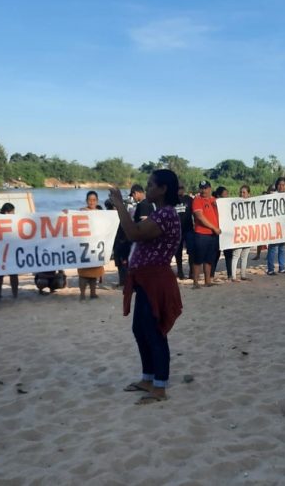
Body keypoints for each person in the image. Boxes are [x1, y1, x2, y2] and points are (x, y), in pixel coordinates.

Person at [109, 169, 182, 405]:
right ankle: (148, 378)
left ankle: (160, 387)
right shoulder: (160, 213)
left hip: (155, 281)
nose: (147, 188)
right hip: (146, 280)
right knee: (140, 330)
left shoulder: (166, 215)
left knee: (154, 333)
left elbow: (133, 233)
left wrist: (119, 204)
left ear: (162, 189)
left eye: (151, 185)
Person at [191, 180, 221, 288]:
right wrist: (214, 227)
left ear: (210, 188)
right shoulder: (197, 200)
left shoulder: (215, 200)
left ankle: (207, 280)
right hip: (201, 234)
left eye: (205, 188)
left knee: (210, 259)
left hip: (213, 234)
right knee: (198, 259)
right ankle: (195, 282)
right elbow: (200, 217)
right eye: (202, 188)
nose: (203, 190)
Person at [76, 191, 105, 301]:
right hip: (84, 245)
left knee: (95, 272)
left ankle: (93, 293)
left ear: (97, 201)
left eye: (94, 200)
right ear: (86, 200)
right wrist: (66, 213)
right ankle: (82, 294)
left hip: (96, 245)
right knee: (84, 273)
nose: (92, 202)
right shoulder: (81, 212)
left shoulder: (100, 213)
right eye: (90, 200)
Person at [0, 203, 19, 300]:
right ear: (7, 212)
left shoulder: (12, 221)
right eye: (12, 212)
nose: (14, 213)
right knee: (1, 275)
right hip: (2, 250)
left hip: (8, 250)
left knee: (10, 274)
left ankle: (1, 294)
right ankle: (8, 294)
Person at [266, 177, 285, 275]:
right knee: (273, 248)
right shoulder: (272, 196)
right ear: (276, 186)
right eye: (279, 185)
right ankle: (270, 269)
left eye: (283, 185)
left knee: (282, 248)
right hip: (274, 227)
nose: (281, 186)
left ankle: (282, 267)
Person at [230, 185, 253, 281]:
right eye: (241, 192)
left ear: (249, 194)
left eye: (244, 192)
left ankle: (243, 275)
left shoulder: (252, 204)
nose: (242, 194)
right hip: (239, 233)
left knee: (245, 255)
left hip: (248, 232)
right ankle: (234, 276)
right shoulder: (234, 204)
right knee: (236, 255)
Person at [174, 184, 194, 279]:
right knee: (178, 252)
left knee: (191, 251)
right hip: (177, 230)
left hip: (188, 229)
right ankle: (180, 271)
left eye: (182, 188)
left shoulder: (189, 199)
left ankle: (192, 271)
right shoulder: (171, 200)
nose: (180, 190)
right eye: (178, 188)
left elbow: (195, 212)